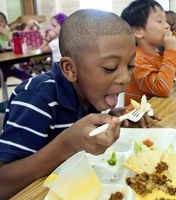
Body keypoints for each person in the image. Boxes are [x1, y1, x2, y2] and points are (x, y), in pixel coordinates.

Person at [0, 9, 155, 199]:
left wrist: (118, 118)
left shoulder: (89, 94)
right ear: (70, 69)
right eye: (110, 68)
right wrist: (66, 145)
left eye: (130, 66)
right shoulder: (36, 98)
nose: (125, 78)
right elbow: (3, 184)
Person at [121, 0, 176, 105]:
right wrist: (171, 52)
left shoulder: (157, 55)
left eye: (165, 21)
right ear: (138, 31)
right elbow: (162, 88)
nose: (167, 26)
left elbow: (169, 79)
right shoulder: (137, 60)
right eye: (160, 21)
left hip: (161, 110)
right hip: (139, 118)